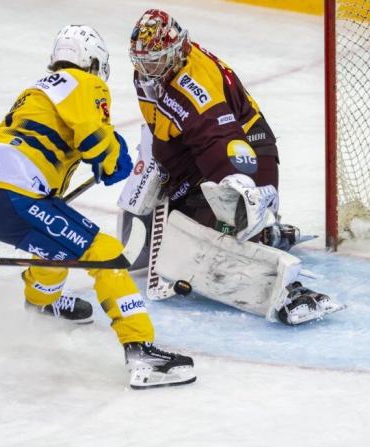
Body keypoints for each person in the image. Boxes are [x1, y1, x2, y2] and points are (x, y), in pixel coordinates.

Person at [0, 25, 196, 389]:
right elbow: (93, 137)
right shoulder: (84, 83)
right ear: (94, 61)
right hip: (15, 195)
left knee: (55, 247)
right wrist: (111, 159)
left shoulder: (37, 88)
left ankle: (41, 304)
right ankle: (141, 350)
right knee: (105, 253)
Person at [119, 9, 344, 325]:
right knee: (181, 222)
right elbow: (167, 125)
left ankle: (289, 287)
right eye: (141, 60)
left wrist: (234, 191)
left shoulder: (194, 88)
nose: (145, 68)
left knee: (200, 234)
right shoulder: (159, 72)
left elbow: (220, 140)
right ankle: (268, 233)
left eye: (154, 60)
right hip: (204, 154)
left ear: (175, 51)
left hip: (248, 156)